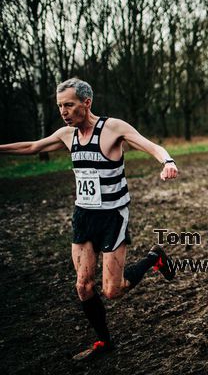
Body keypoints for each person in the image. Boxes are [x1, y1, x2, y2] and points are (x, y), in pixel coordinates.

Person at [0, 78, 179, 360]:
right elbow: (33, 147)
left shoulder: (113, 129)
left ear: (87, 102)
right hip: (84, 216)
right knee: (83, 286)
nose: (63, 111)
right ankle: (104, 342)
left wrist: (167, 162)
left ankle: (153, 258)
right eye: (60, 106)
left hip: (112, 217)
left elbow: (151, 145)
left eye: (69, 105)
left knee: (112, 290)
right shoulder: (67, 135)